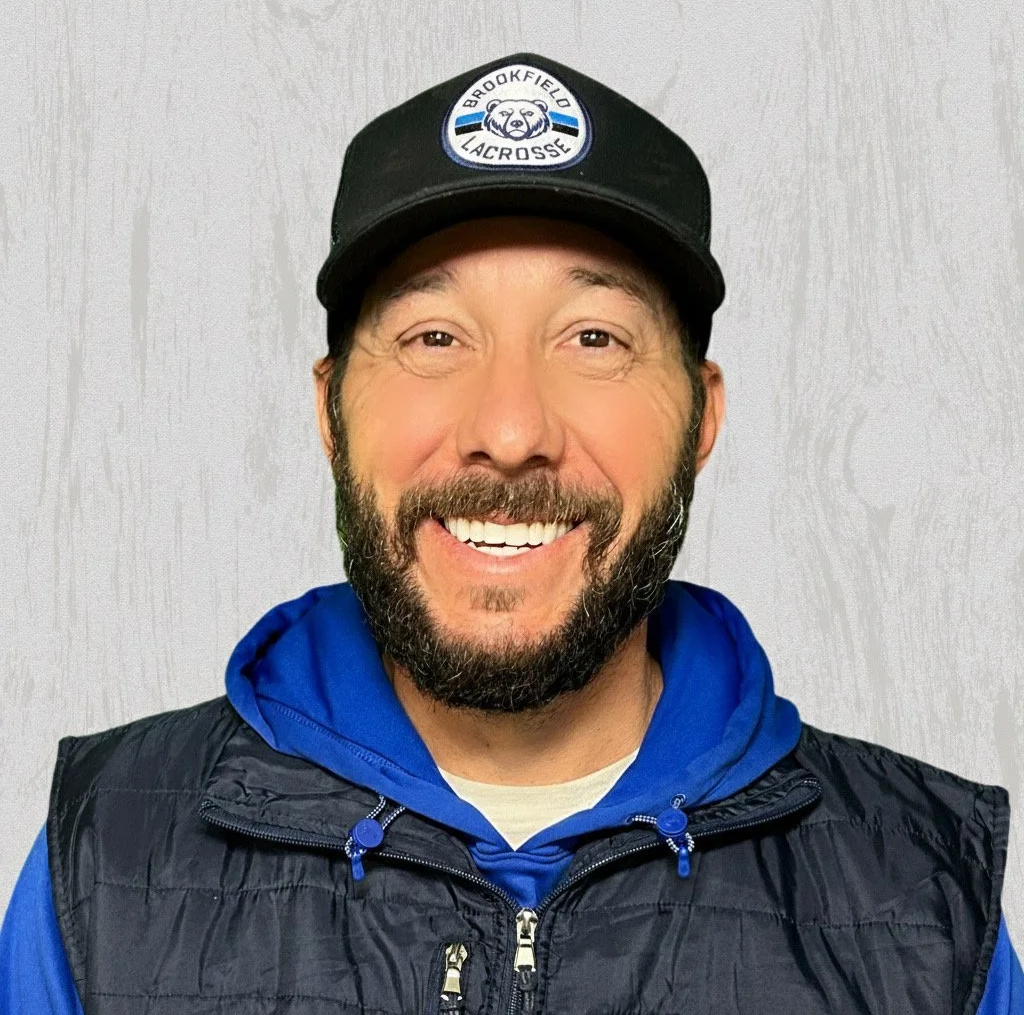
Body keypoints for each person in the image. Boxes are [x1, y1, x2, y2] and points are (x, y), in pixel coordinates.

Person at [1, 52, 1020, 1014]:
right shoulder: (103, 863)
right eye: (434, 337)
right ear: (331, 411)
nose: (510, 429)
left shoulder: (924, 898)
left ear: (701, 416)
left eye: (594, 339)